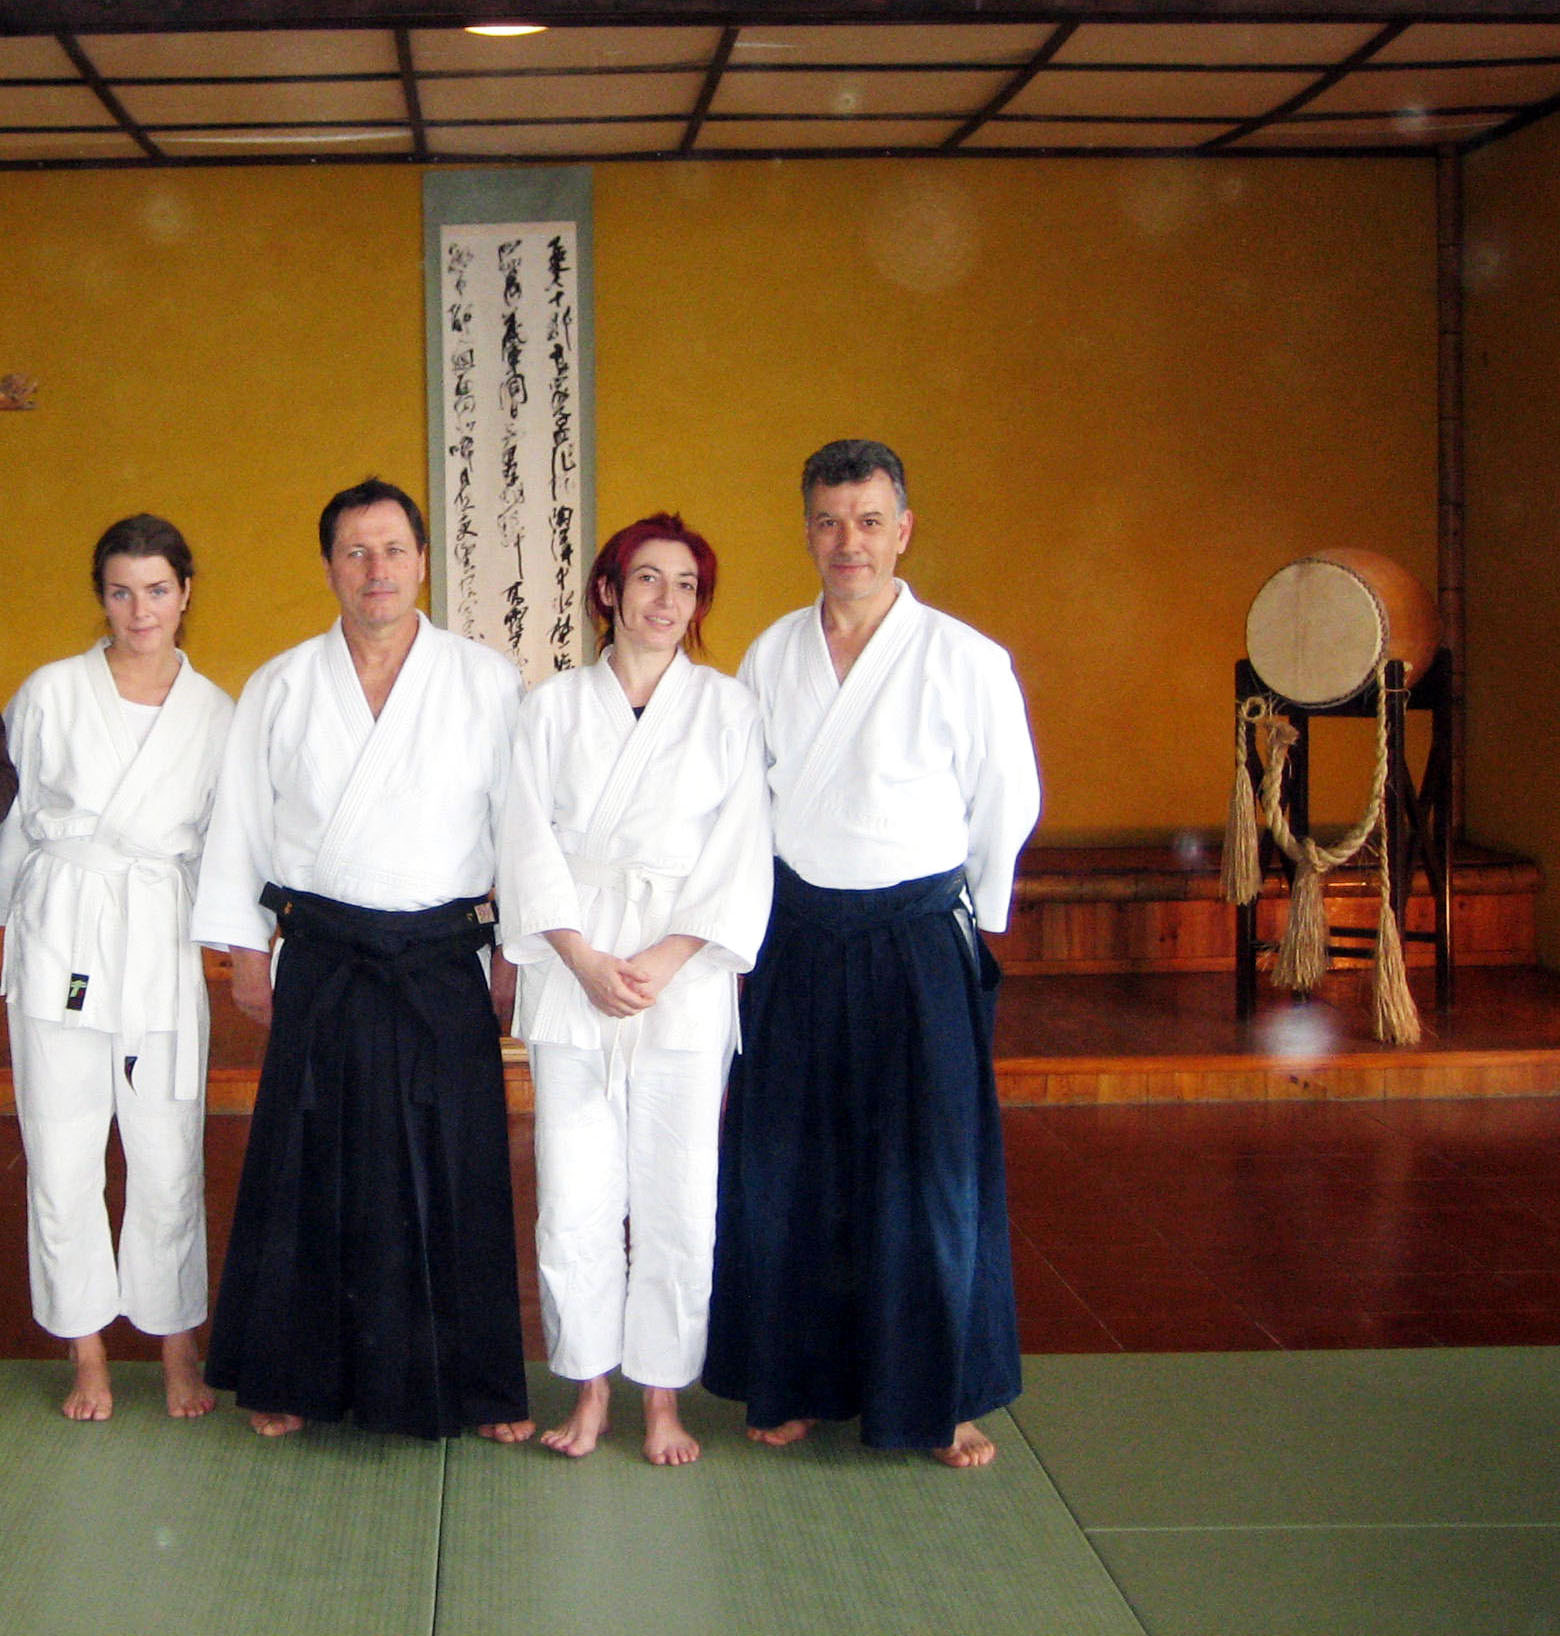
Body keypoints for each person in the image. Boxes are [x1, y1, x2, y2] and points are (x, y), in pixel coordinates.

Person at [703, 439, 1041, 1468]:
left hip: (913, 939)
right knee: (787, 1166)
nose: (847, 541)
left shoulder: (965, 659)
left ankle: (939, 1398)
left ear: (904, 530)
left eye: (868, 520)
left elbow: (1006, 800)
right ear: (807, 532)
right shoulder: (772, 655)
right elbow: (741, 802)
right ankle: (793, 1377)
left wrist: (971, 920)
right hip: (798, 935)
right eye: (828, 521)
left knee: (927, 1173)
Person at [190, 477, 532, 1444]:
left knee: (454, 1165)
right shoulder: (283, 684)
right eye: (355, 551)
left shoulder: (486, 680)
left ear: (423, 561)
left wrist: (514, 952)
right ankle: (290, 1375)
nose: (375, 569)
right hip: (325, 951)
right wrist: (245, 950)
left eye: (392, 550)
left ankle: (475, 1387)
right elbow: (242, 825)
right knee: (306, 1164)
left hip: (442, 956)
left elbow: (521, 829)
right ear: (330, 567)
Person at [499, 514, 771, 1465]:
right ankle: (589, 1388)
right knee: (573, 1192)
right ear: (608, 591)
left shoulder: (729, 710)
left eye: (686, 585)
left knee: (678, 1195)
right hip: (573, 966)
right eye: (648, 579)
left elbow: (742, 849)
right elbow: (524, 842)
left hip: (682, 978)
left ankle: (662, 1396)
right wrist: (580, 957)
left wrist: (670, 954)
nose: (667, 600)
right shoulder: (550, 709)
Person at [0, 514, 233, 1421]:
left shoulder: (215, 712)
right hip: (60, 932)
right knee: (61, 1150)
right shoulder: (50, 693)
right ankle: (86, 1349)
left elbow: (229, 843)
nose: (140, 611)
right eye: (121, 592)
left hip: (160, 942)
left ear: (185, 593)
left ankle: (176, 1344)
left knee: (168, 1153)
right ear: (101, 597)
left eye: (158, 590)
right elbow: (12, 826)